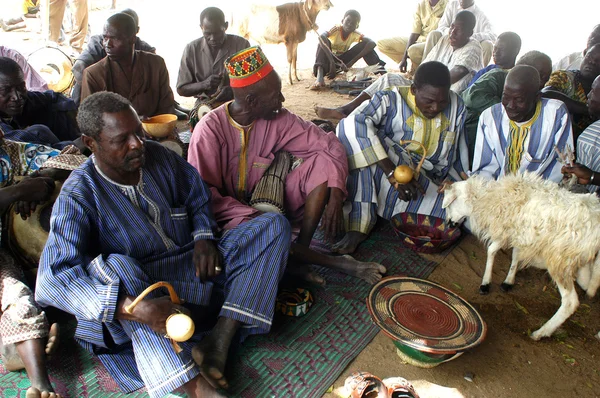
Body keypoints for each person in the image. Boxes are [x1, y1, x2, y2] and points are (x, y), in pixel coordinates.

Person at [35, 91, 290, 398]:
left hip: (195, 272)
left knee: (272, 226)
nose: (137, 145)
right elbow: (52, 279)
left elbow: (197, 196)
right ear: (91, 143)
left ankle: (219, 340)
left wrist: (203, 237)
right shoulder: (78, 195)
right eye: (122, 140)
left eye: (138, 133)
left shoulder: (159, 156)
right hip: (145, 294)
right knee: (117, 266)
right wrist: (130, 307)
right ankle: (192, 385)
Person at [189, 46, 385, 284]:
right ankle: (338, 263)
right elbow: (202, 195)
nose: (282, 100)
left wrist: (335, 195)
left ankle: (301, 248)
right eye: (276, 95)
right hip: (227, 213)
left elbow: (328, 146)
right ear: (251, 100)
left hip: (271, 200)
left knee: (320, 164)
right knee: (269, 227)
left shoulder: (278, 118)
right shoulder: (208, 130)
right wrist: (254, 216)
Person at [334, 61, 469, 254]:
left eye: (442, 101)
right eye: (429, 101)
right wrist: (392, 172)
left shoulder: (458, 107)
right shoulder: (389, 99)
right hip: (389, 167)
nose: (435, 107)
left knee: (453, 217)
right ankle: (359, 224)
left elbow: (458, 152)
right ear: (413, 90)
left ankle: (387, 206)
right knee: (358, 140)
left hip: (426, 181)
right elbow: (353, 124)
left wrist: (453, 183)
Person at [471, 65, 574, 182]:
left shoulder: (556, 114)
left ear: (537, 97)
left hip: (541, 194)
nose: (510, 105)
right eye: (505, 97)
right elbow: (485, 169)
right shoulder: (489, 117)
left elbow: (560, 166)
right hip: (498, 193)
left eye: (519, 100)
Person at [462, 50, 552, 162]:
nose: (542, 82)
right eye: (540, 75)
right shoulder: (498, 76)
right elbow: (472, 98)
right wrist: (504, 111)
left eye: (546, 78)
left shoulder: (540, 100)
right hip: (473, 138)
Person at [81, 13, 174, 118]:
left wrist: (158, 127)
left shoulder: (155, 65)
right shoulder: (93, 75)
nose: (107, 44)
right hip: (113, 134)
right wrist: (135, 123)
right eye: (105, 38)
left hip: (154, 130)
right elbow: (89, 121)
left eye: (115, 38)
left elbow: (167, 107)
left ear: (133, 39)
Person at [177, 7, 250, 129]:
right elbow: (181, 89)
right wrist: (204, 84)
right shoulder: (191, 49)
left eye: (217, 33)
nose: (212, 38)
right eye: (207, 34)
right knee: (205, 131)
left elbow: (256, 83)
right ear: (201, 27)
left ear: (225, 26)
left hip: (237, 103)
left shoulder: (242, 45)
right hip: (205, 106)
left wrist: (233, 91)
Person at [71, 8, 156, 105]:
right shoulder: (99, 43)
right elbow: (78, 68)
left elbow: (156, 89)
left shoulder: (146, 51)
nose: (108, 44)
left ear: (135, 31)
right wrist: (95, 85)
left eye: (117, 36)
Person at [0, 57, 80, 148]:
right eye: (5, 91)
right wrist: (69, 147)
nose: (17, 97)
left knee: (58, 110)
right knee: (39, 132)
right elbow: (15, 142)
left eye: (21, 87)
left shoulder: (26, 100)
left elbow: (53, 98)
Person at [311, 9, 385, 90]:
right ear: (342, 21)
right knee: (322, 42)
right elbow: (321, 37)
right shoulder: (336, 29)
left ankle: (383, 72)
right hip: (327, 62)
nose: (349, 24)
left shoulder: (355, 34)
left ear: (357, 26)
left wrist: (351, 62)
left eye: (353, 23)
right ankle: (319, 78)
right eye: (348, 21)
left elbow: (372, 43)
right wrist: (331, 62)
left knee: (366, 46)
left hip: (341, 63)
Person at [542, 44, 600, 139]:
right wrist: (586, 109)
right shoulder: (564, 77)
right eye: (589, 56)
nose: (592, 62)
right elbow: (545, 93)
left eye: (598, 60)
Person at [377, 0, 448, 73]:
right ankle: (413, 64)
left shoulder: (448, 4)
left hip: (433, 43)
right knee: (382, 44)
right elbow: (415, 33)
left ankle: (418, 72)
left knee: (413, 50)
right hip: (419, 40)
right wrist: (404, 58)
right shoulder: (421, 5)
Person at [421, 10, 483, 94]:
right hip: (431, 89)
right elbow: (426, 64)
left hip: (453, 98)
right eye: (452, 27)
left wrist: (432, 86)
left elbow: (459, 70)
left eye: (459, 29)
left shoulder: (474, 46)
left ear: (469, 33)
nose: (452, 32)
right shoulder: (445, 39)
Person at [425, 0, 496, 66]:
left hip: (468, 45)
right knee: (434, 34)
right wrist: (451, 33)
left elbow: (493, 35)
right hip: (449, 39)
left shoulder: (481, 15)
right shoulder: (452, 4)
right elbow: (441, 26)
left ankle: (478, 76)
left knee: (487, 44)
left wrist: (469, 37)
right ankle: (421, 69)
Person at [562, 76, 600, 194]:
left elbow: (587, 193)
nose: (588, 95)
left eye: (593, 91)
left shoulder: (591, 138)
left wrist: (592, 177)